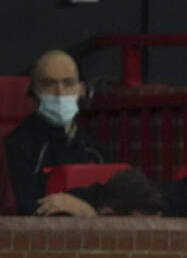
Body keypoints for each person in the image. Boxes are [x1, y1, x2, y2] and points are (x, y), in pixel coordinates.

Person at [3, 50, 111, 215]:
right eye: (48, 84)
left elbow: (116, 209)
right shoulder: (17, 145)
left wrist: (80, 208)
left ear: (81, 89)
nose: (59, 92)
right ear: (33, 91)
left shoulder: (96, 149)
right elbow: (29, 212)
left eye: (68, 83)